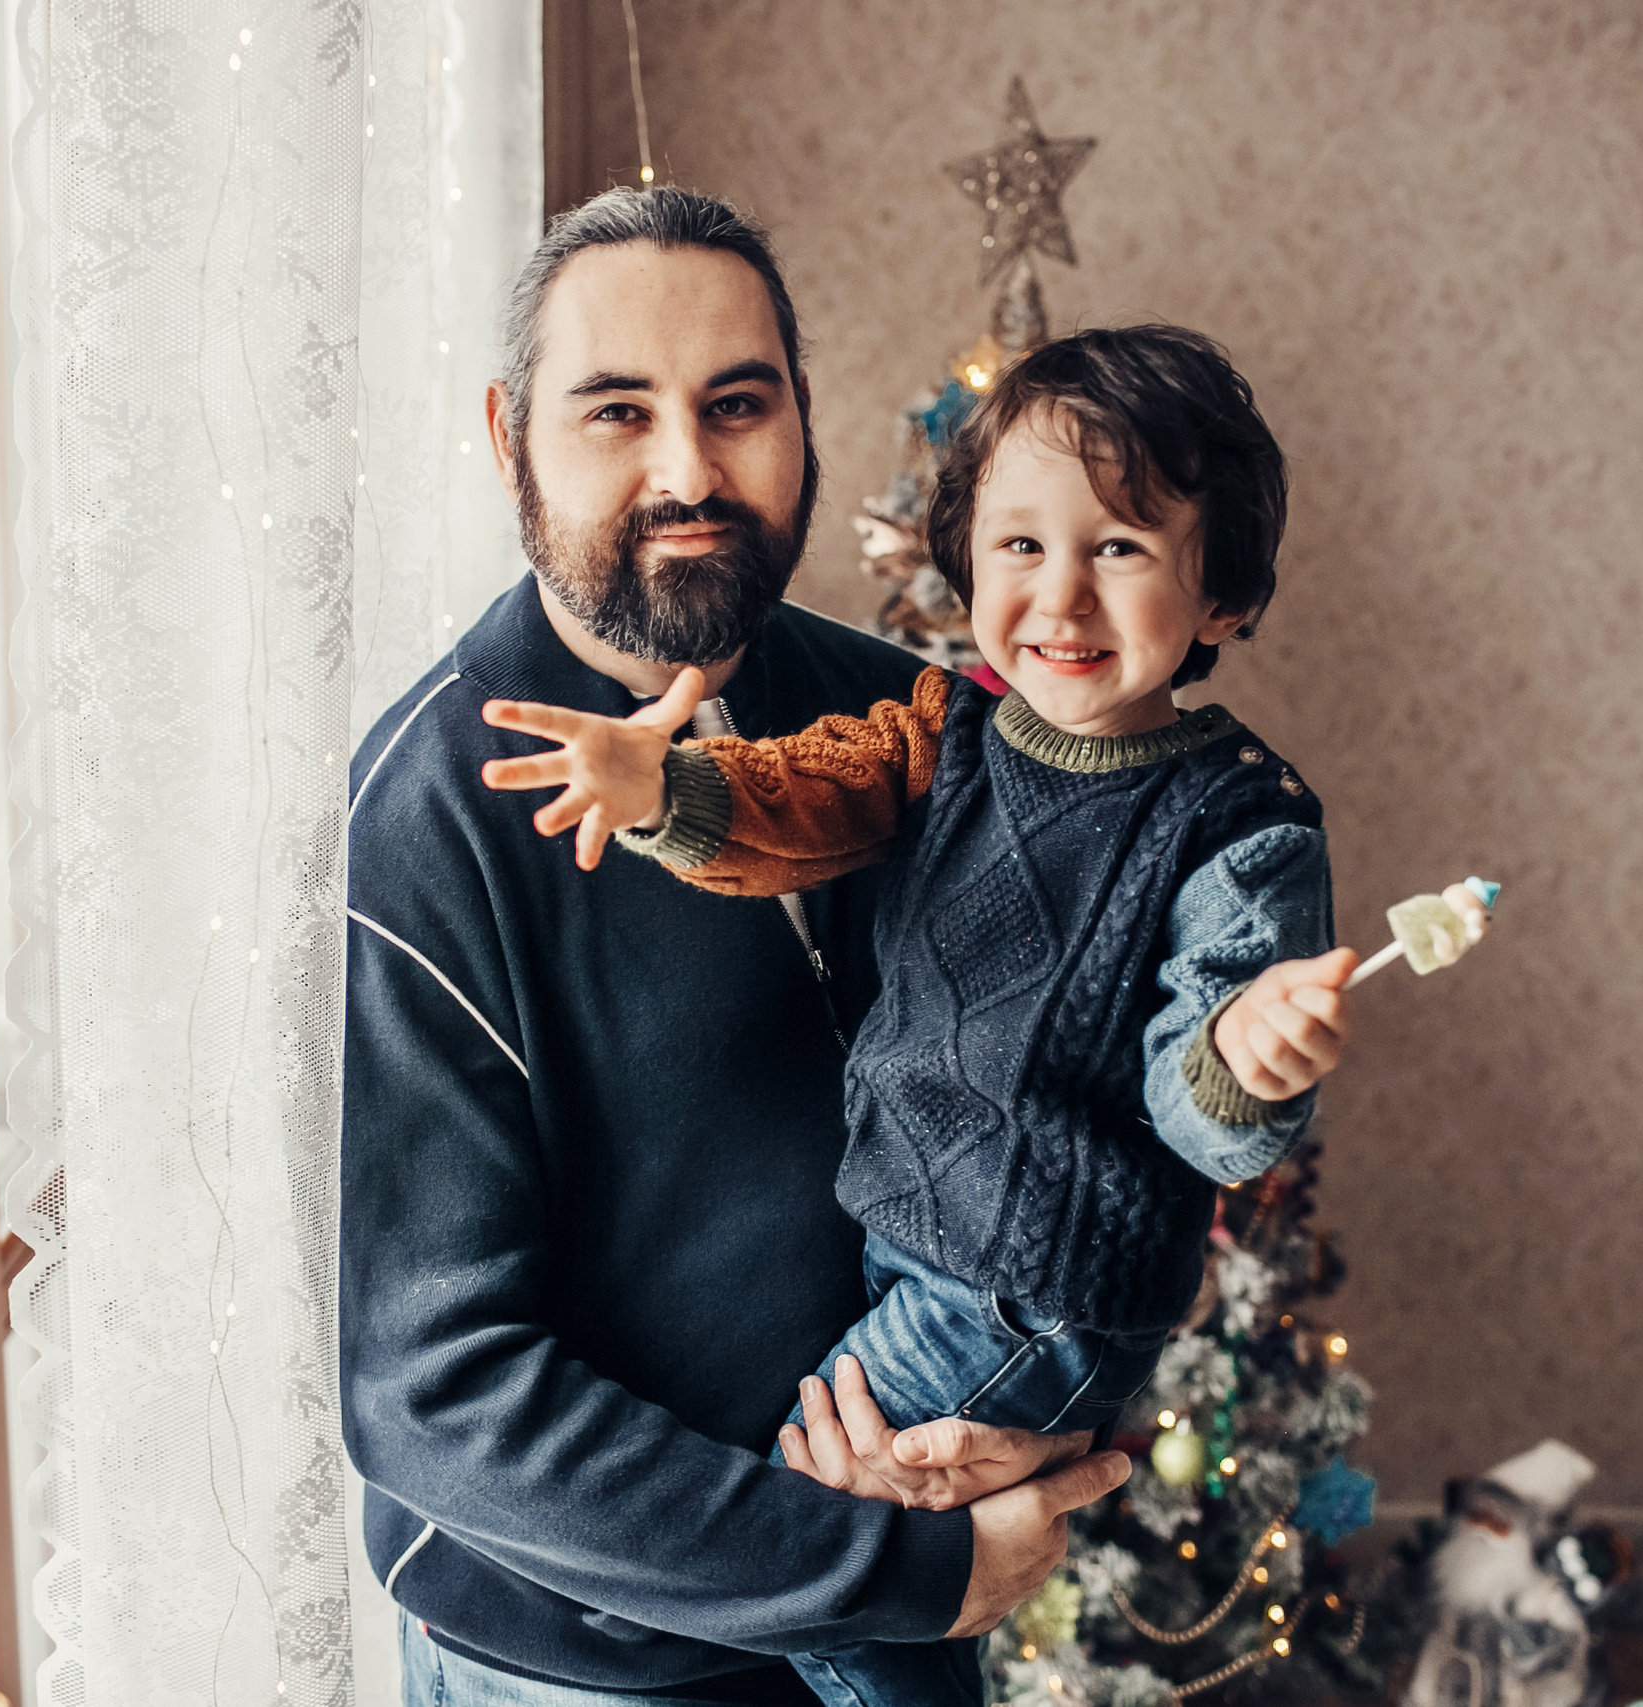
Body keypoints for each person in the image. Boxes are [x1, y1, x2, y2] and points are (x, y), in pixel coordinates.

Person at [479, 325, 1494, 1707]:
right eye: (1020, 546)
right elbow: (798, 796)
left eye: (1121, 549)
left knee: (823, 1540)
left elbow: (1202, 1099)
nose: (1061, 594)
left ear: (1223, 597)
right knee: (884, 1557)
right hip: (924, 1247)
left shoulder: (1237, 825)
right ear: (967, 565)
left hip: (1030, 1279)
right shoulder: (945, 731)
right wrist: (664, 792)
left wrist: (1250, 1060)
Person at [342, 187, 1133, 1707]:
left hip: (909, 1615)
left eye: (737, 404)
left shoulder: (918, 726)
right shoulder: (427, 816)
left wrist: (1039, 1427)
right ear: (510, 437)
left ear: (802, 418)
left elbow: (1075, 1127)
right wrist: (878, 1569)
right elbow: (431, 1391)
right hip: (593, 1671)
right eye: (617, 412)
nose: (689, 469)